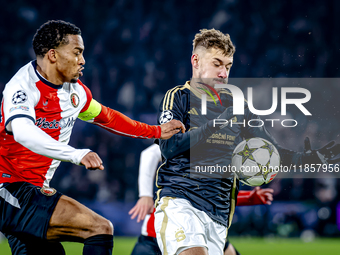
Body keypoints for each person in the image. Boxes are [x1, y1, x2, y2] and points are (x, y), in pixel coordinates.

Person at [0, 20, 185, 255]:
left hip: (34, 190)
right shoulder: (22, 87)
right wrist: (77, 154)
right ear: (53, 55)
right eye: (77, 53)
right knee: (99, 228)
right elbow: (23, 132)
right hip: (8, 187)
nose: (82, 60)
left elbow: (108, 117)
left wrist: (156, 131)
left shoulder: (75, 92)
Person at [154, 28, 340, 255]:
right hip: (181, 203)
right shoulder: (178, 97)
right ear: (196, 61)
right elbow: (169, 147)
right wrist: (217, 124)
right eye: (217, 63)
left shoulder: (238, 106)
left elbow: (272, 151)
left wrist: (310, 157)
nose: (223, 73)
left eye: (228, 66)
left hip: (220, 215)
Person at [128, 144, 274, 255]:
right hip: (158, 238)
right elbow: (150, 154)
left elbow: (210, 198)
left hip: (205, 228)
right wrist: (145, 195)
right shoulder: (195, 138)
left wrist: (248, 198)